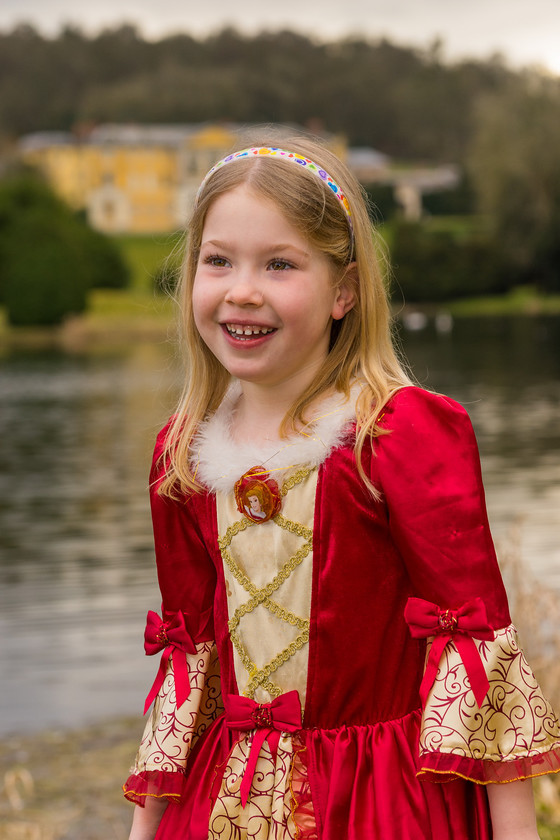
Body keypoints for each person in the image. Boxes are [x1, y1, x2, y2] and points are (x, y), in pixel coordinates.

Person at [124, 138, 560, 840]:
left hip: (380, 801)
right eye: (218, 260)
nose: (242, 289)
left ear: (345, 290)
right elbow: (191, 669)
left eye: (279, 264)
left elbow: (476, 652)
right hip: (224, 801)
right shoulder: (182, 456)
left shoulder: (397, 434)